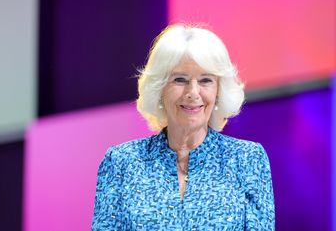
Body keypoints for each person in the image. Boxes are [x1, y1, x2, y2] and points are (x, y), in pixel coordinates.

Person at [91, 23, 275, 230]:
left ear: (218, 92)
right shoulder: (121, 162)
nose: (193, 92)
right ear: (159, 88)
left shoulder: (247, 159)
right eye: (180, 80)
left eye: (205, 80)